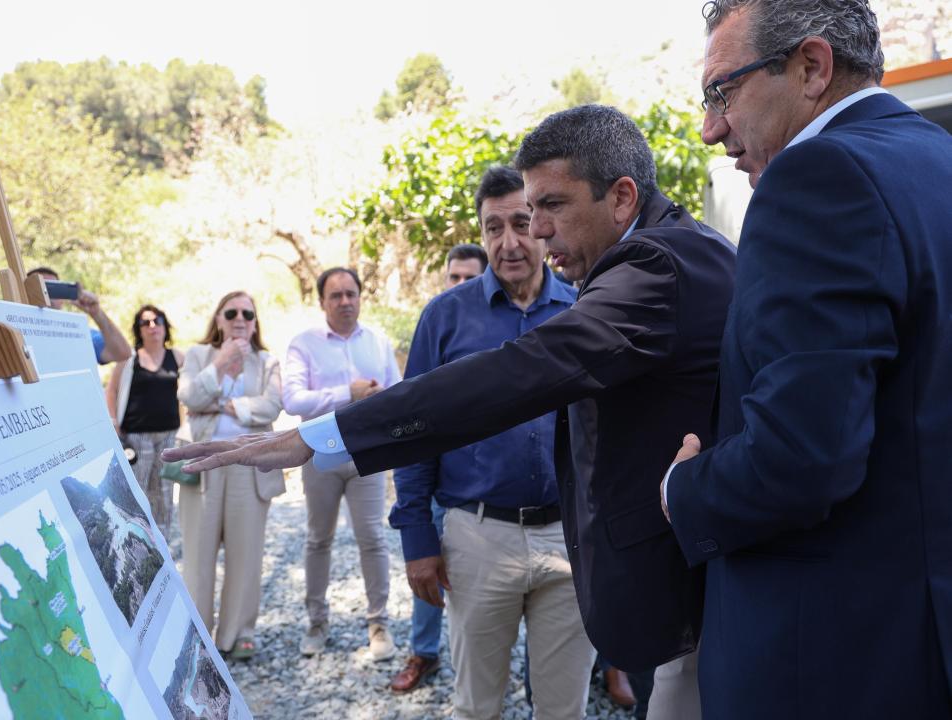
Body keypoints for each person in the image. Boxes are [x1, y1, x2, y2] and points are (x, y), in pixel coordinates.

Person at [165, 105, 736, 694]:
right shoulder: (671, 249)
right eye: (521, 214)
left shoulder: (651, 266)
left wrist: (320, 436)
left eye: (551, 206)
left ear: (621, 197)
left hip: (681, 586)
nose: (537, 232)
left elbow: (514, 375)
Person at [659, 1, 952, 718]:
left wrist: (682, 489)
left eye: (722, 92)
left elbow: (801, 456)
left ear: (812, 68)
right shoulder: (936, 161)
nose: (711, 128)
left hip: (835, 663)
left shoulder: (819, 175)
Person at [389, 167, 591, 718]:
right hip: (477, 539)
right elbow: (412, 432)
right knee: (476, 708)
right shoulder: (445, 318)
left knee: (565, 710)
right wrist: (417, 539)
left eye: (521, 223)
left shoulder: (583, 309)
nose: (509, 242)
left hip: (568, 538)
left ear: (542, 224)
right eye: (493, 228)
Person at [281, 268, 401, 661]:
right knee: (319, 538)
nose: (345, 301)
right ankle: (317, 622)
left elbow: (399, 392)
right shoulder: (304, 344)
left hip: (368, 453)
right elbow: (293, 400)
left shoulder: (378, 342)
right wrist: (345, 393)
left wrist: (382, 397)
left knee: (373, 538)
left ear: (361, 297)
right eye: (336, 295)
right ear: (322, 302)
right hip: (321, 454)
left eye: (351, 293)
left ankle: (379, 623)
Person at [390, 241, 489, 695]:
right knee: (429, 572)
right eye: (455, 277)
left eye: (470, 278)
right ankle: (424, 652)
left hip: (499, 495)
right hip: (443, 482)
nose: (460, 285)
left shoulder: (504, 325)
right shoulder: (438, 323)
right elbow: (411, 418)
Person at [176, 290, 284, 660]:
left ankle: (238, 634)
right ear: (219, 318)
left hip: (249, 466)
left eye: (247, 314)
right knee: (198, 554)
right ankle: (198, 633)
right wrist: (221, 363)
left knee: (246, 553)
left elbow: (272, 405)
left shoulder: (267, 362)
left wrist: (221, 405)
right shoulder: (198, 355)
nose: (240, 319)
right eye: (232, 312)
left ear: (255, 323)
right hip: (203, 462)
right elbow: (189, 397)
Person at [105, 305, 183, 541]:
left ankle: (161, 541)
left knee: (164, 491)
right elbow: (111, 391)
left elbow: (188, 393)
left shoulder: (178, 357)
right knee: (136, 489)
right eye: (145, 322)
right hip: (136, 436)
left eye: (157, 321)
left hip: (169, 435)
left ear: (165, 326)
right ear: (138, 329)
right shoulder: (128, 359)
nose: (152, 326)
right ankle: (135, 538)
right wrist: (113, 422)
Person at [26, 266, 131, 364]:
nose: (46, 295)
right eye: (39, 289)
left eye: (53, 289)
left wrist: (97, 313)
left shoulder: (77, 333)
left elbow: (122, 353)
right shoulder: (18, 332)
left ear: (62, 299)